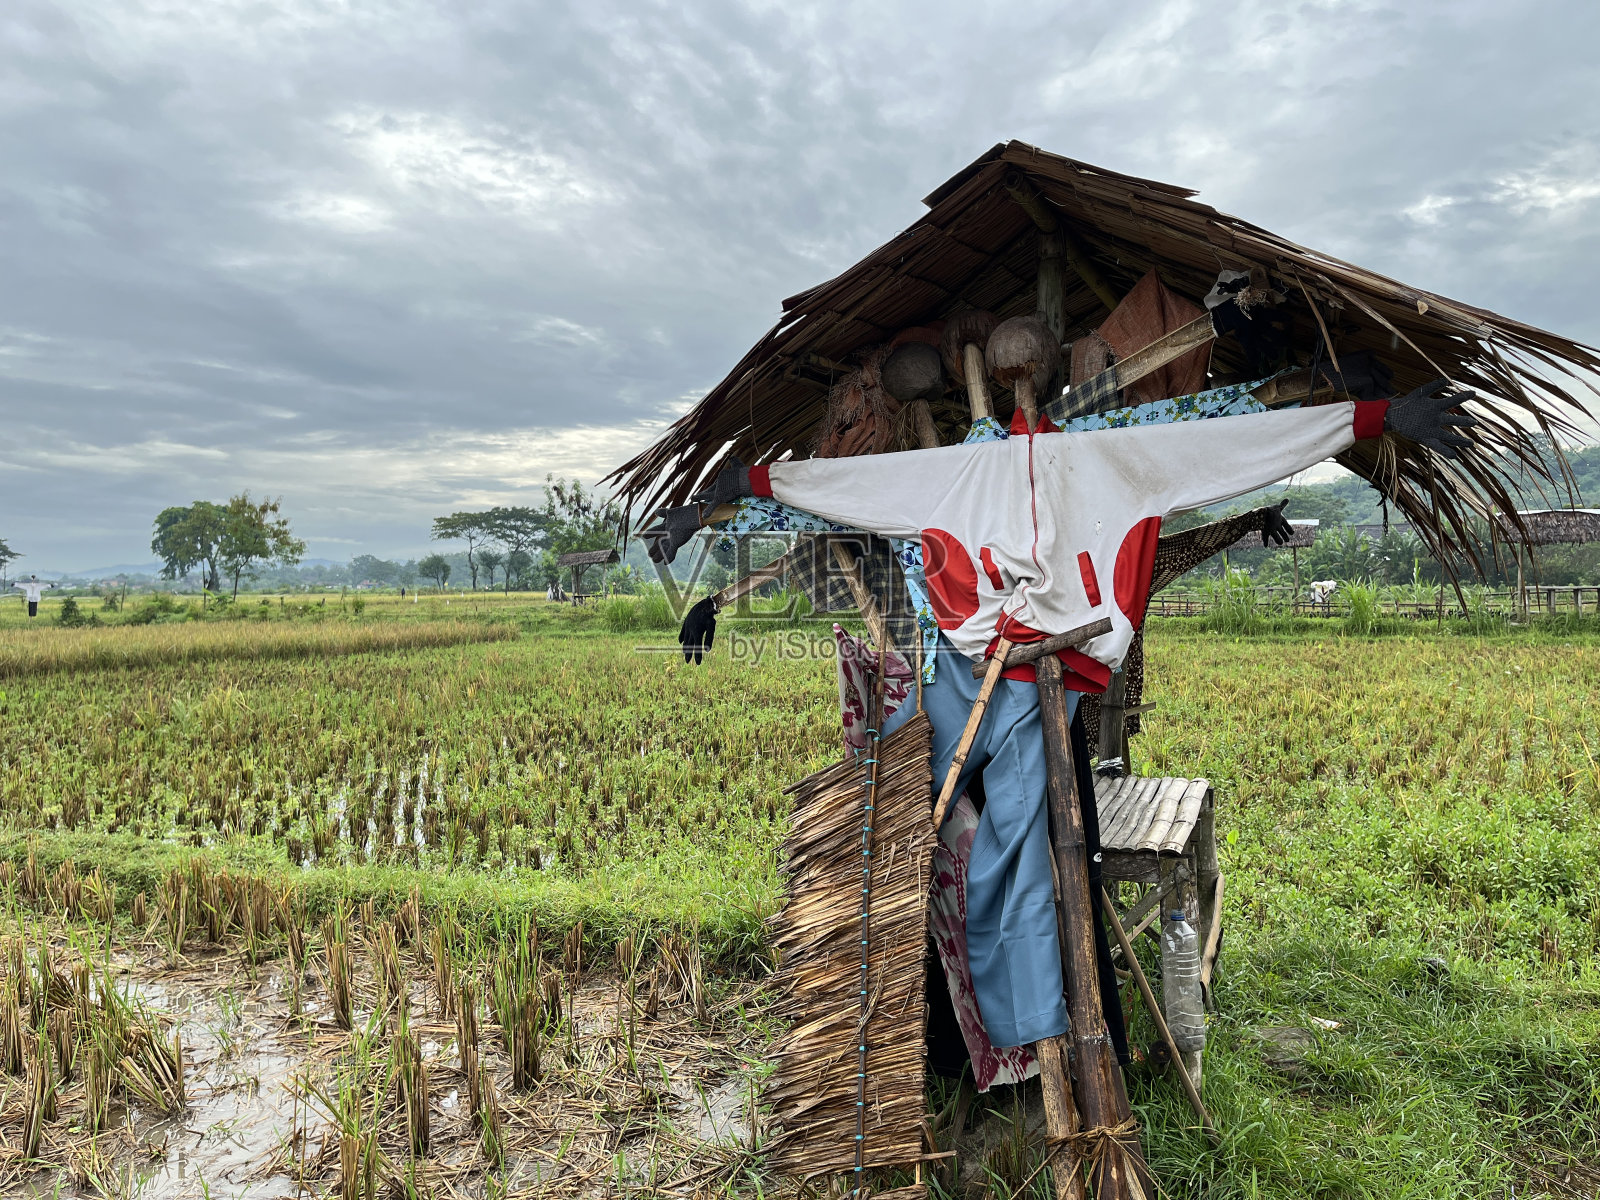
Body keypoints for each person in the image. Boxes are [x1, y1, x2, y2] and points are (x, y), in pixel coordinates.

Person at [647, 380, 1475, 1050]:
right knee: (906, 831)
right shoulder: (940, 466)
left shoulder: (1108, 450)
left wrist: (1364, 419)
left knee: (1029, 849)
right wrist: (730, 512)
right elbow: (829, 498)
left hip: (1052, 684)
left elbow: (1224, 437)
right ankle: (910, 1023)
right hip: (954, 677)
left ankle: (1032, 1033)